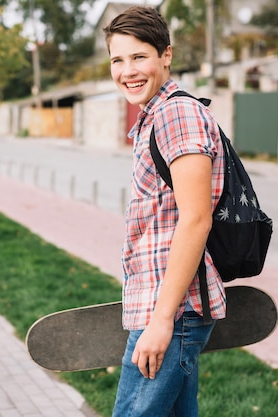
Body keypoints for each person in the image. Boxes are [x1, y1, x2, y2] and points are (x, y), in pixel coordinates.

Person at [103, 6, 227, 416]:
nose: (127, 71)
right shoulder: (156, 116)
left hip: (171, 313)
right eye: (117, 60)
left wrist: (160, 321)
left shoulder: (176, 113)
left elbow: (196, 219)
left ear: (166, 56)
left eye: (139, 57)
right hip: (169, 311)